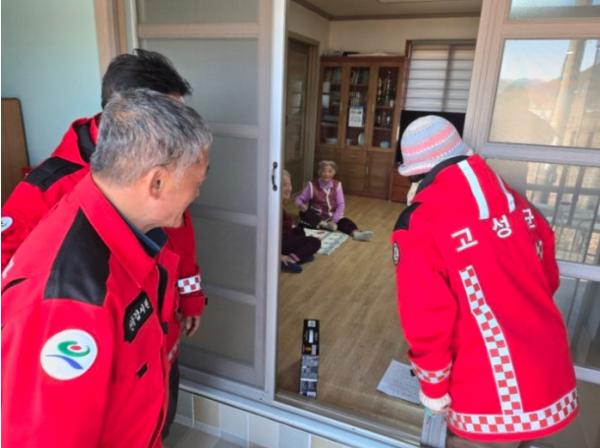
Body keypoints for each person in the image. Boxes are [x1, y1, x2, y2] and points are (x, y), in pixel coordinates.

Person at [0, 49, 205, 438]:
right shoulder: (52, 191)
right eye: (166, 115)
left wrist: (190, 296)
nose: (178, 128)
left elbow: (180, 240)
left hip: (153, 343)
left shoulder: (159, 180)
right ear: (126, 113)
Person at [391, 115, 577, 447]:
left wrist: (433, 389)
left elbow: (426, 316)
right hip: (549, 372)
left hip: (491, 390)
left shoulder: (420, 221)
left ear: (416, 173)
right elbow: (547, 279)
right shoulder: (519, 203)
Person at [295, 160, 373, 241]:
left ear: (334, 173)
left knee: (345, 221)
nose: (326, 174)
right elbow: (299, 199)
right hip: (316, 215)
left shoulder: (337, 185)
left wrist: (334, 220)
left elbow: (341, 204)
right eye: (323, 171)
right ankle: (324, 225)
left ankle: (356, 234)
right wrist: (300, 204)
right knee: (303, 213)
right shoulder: (311, 185)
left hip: (331, 216)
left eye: (330, 171)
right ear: (319, 172)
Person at [281, 170, 321, 273]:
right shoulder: (272, 208)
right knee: (315, 242)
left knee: (299, 231)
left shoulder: (279, 204)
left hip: (284, 237)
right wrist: (279, 256)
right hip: (279, 242)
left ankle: (298, 255)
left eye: (289, 184)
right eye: (284, 185)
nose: (289, 188)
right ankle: (289, 260)